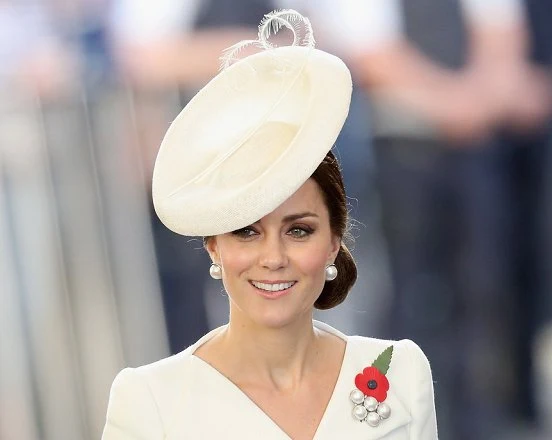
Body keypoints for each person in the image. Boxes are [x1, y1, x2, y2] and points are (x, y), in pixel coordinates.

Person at [102, 10, 437, 440]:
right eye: (246, 230)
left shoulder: (400, 374)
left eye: (299, 230)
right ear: (213, 245)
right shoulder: (149, 399)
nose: (273, 258)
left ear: (335, 240)